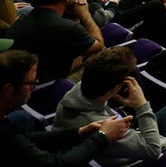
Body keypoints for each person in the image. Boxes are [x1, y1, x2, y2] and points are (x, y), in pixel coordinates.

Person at [0, 50, 133, 165]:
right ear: (9, 89)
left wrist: (78, 133)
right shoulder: (6, 135)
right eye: (31, 83)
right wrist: (102, 137)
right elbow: (56, 165)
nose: (34, 87)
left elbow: (27, 139)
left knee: (22, 117)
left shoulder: (8, 126)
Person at [6, 0, 104, 82]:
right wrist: (85, 15)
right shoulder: (69, 28)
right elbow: (98, 45)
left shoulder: (21, 20)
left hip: (19, 82)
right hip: (46, 88)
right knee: (100, 56)